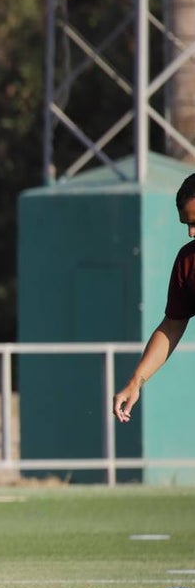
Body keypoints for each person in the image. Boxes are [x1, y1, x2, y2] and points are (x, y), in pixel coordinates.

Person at [113, 172, 195, 422]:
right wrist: (136, 380)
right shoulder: (187, 261)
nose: (191, 233)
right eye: (187, 224)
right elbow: (172, 326)